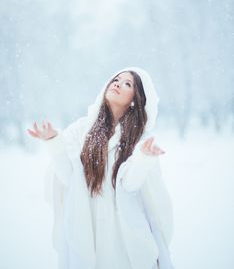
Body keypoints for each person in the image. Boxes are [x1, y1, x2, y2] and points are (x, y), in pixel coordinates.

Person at [27, 66, 175, 269]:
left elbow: (130, 184)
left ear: (135, 99)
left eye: (127, 84)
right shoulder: (82, 129)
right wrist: (54, 141)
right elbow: (70, 176)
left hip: (123, 235)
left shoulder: (140, 139)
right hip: (89, 228)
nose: (117, 83)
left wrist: (143, 158)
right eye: (116, 79)